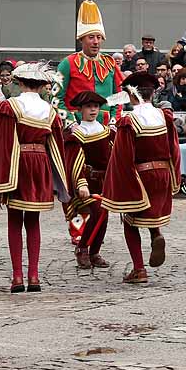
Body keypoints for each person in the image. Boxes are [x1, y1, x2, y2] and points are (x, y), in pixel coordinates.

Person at [0, 63, 70, 293]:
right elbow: (57, 145)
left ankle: (17, 276)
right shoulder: (50, 111)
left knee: (14, 220)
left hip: (17, 163)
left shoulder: (10, 106)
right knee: (33, 221)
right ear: (41, 86)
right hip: (39, 163)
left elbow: (0, 142)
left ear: (19, 82)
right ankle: (34, 276)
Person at [101, 71, 181, 285]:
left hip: (141, 173)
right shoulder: (164, 116)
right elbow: (174, 147)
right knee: (151, 212)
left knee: (130, 220)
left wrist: (118, 185)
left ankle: (139, 269)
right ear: (152, 93)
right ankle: (156, 234)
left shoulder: (129, 120)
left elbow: (123, 156)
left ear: (132, 94)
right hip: (163, 171)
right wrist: (174, 175)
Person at [62, 91, 115, 270]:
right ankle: (82, 248)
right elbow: (74, 160)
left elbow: (112, 156)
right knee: (94, 213)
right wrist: (81, 182)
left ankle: (95, 252)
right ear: (80, 109)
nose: (93, 110)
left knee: (103, 216)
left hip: (103, 180)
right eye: (88, 107)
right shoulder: (76, 134)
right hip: (86, 180)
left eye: (96, 107)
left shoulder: (105, 131)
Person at [55, 1, 124, 124]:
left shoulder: (110, 62)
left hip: (106, 127)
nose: (96, 41)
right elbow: (56, 99)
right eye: (91, 37)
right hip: (77, 128)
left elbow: (119, 97)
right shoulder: (67, 63)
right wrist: (71, 123)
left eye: (99, 37)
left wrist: (113, 122)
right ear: (81, 39)